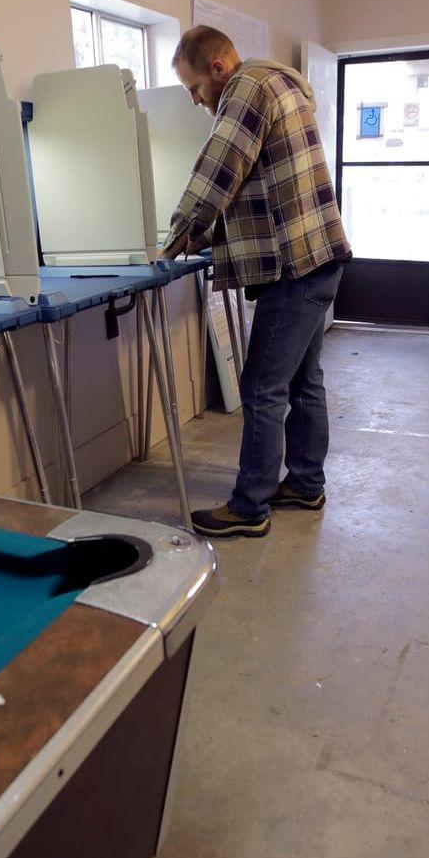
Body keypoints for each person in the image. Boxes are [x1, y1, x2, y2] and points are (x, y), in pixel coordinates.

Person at [161, 26, 352, 539]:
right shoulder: (278, 83)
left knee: (261, 386)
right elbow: (260, 188)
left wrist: (176, 235)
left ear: (218, 68)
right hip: (319, 258)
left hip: (295, 268)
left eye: (195, 88)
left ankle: (249, 508)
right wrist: (206, 237)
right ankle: (306, 483)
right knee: (303, 380)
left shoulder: (247, 88)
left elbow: (217, 171)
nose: (195, 100)